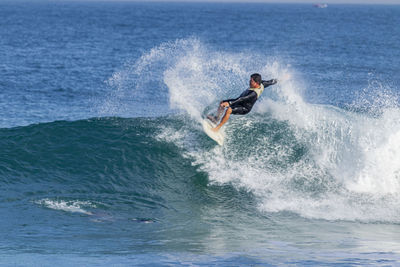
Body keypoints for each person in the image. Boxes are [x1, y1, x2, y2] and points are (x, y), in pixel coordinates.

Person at [208, 73, 277, 132]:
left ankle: (217, 128)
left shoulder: (253, 93)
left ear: (256, 83)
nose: (249, 82)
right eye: (250, 80)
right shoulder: (262, 84)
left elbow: (242, 99)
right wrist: (281, 79)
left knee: (228, 110)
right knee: (222, 102)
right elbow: (271, 82)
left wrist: (230, 103)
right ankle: (216, 119)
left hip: (244, 108)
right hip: (239, 101)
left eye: (251, 81)